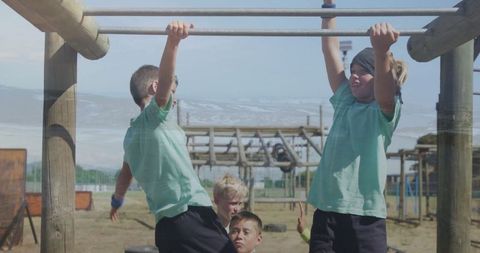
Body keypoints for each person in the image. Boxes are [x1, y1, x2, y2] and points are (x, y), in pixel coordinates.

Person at [109, 21, 235, 253]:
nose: (173, 99)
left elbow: (125, 175)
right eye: (172, 93)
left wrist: (117, 201)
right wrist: (173, 42)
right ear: (155, 88)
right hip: (190, 213)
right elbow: (166, 83)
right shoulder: (155, 116)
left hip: (165, 228)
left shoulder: (130, 136)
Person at [307, 0, 408, 252]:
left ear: (379, 76)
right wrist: (329, 6)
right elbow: (330, 48)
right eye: (352, 69)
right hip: (327, 210)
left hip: (364, 214)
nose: (353, 75)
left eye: (362, 71)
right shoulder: (345, 101)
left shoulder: (382, 111)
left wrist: (382, 51)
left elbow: (385, 93)